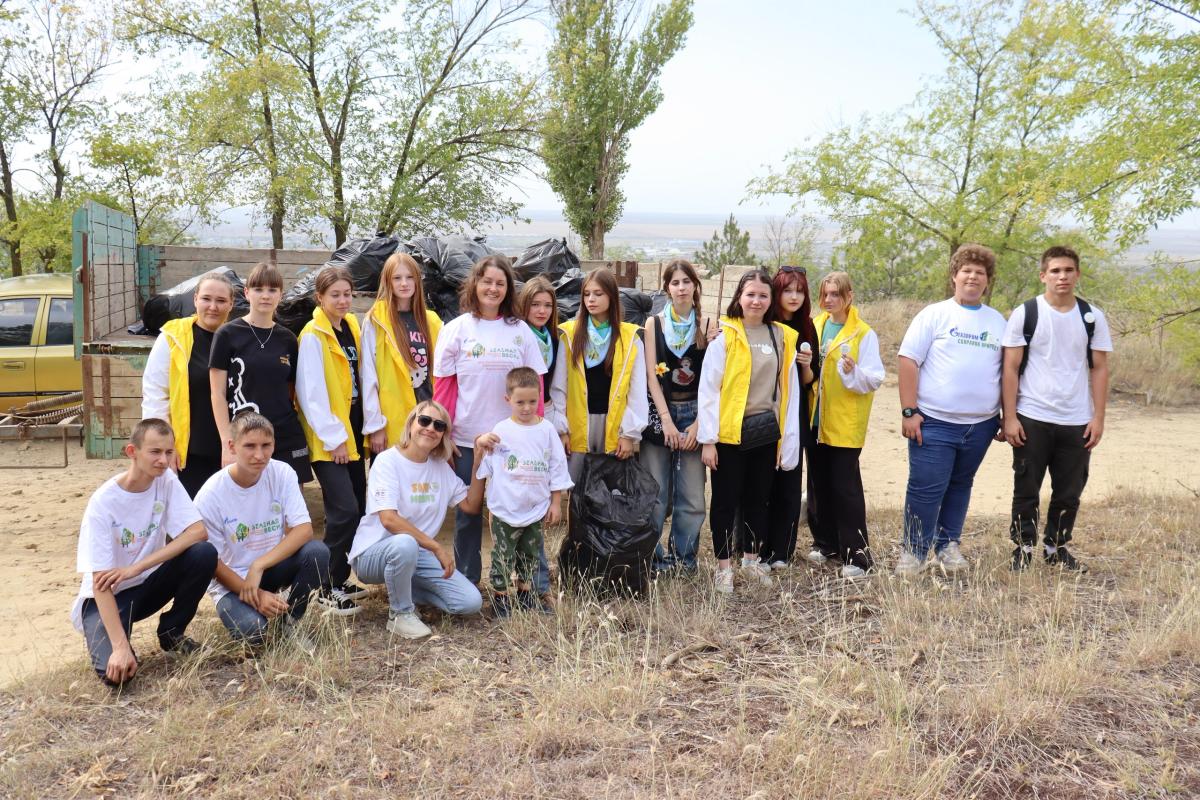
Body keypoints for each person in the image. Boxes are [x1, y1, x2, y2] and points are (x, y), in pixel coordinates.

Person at [71, 419, 217, 686]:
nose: (163, 460)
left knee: (203, 554)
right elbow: (100, 583)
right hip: (108, 597)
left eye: (168, 452)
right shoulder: (103, 503)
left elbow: (197, 532)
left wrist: (137, 567)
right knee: (118, 676)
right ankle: (119, 642)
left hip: (147, 583)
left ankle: (172, 632)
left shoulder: (166, 481)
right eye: (154, 452)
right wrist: (120, 647)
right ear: (132, 452)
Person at [432, 255, 546, 586]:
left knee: (525, 510)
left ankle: (532, 584)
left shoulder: (520, 331)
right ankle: (467, 583)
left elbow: (535, 383)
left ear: (508, 288)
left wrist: (534, 431)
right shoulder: (457, 330)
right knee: (468, 513)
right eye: (487, 282)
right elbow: (444, 389)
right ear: (474, 285)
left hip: (513, 440)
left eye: (500, 283)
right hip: (468, 440)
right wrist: (446, 436)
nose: (493, 289)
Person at [895, 245, 1007, 576]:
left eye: (980, 272)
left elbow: (1007, 371)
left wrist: (1004, 415)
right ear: (954, 275)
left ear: (988, 281)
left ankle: (947, 546)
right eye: (967, 270)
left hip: (981, 425)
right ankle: (914, 551)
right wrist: (908, 410)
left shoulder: (997, 321)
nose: (973, 277)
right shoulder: (934, 314)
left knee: (960, 484)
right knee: (926, 487)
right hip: (934, 422)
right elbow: (908, 360)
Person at [1001, 245, 1112, 572]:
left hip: (1076, 420)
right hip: (1032, 417)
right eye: (1055, 271)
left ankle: (1055, 547)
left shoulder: (1091, 316)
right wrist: (1010, 417)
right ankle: (1022, 549)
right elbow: (1010, 367)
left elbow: (1100, 368)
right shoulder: (1027, 313)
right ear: (1043, 275)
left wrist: (1099, 417)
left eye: (1068, 270)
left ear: (1077, 274)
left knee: (1069, 491)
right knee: (1026, 490)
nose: (1062, 276)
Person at [697, 269, 801, 594]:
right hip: (729, 436)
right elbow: (709, 390)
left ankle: (751, 561)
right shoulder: (725, 336)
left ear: (771, 301)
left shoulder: (781, 336)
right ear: (739, 297)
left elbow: (787, 391)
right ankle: (723, 567)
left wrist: (787, 439)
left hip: (765, 432)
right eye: (750, 294)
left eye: (763, 295)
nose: (756, 300)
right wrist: (708, 441)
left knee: (759, 500)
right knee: (725, 502)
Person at [348, 401, 487, 639]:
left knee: (470, 602)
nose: (430, 428)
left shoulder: (440, 467)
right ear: (411, 424)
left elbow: (471, 506)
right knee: (405, 543)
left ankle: (402, 589)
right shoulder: (387, 461)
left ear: (443, 434)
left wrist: (478, 463)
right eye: (424, 420)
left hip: (417, 553)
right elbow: (389, 519)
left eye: (439, 425)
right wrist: (434, 546)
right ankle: (400, 614)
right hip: (373, 553)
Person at [195, 412, 330, 648]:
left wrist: (259, 565)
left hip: (268, 568)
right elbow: (212, 563)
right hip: (232, 582)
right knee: (255, 633)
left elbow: (304, 530)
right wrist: (256, 597)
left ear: (274, 444)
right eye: (249, 446)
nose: (259, 455)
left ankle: (290, 621)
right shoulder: (211, 495)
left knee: (317, 552)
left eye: (266, 445)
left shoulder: (282, 472)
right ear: (232, 446)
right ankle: (256, 609)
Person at [295, 266, 368, 616]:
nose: (342, 300)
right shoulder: (313, 335)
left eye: (347, 294)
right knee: (343, 510)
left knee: (358, 506)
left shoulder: (350, 327)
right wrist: (334, 438)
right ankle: (323, 586)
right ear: (319, 298)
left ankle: (340, 578)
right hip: (331, 439)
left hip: (353, 430)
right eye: (334, 295)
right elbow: (311, 394)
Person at [475, 367, 572, 616]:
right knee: (503, 556)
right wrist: (481, 445)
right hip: (506, 508)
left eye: (532, 401)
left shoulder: (547, 430)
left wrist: (555, 503)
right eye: (520, 402)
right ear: (508, 400)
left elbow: (557, 467)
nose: (527, 408)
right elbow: (487, 468)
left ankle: (526, 594)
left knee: (530, 554)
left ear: (540, 397)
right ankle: (500, 599)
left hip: (535, 507)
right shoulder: (501, 430)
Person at [806, 271, 884, 579]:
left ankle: (858, 556)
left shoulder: (863, 334)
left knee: (845, 488)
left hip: (844, 424)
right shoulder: (815, 326)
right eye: (825, 294)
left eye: (835, 294)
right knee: (818, 485)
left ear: (848, 296)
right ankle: (826, 544)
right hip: (816, 419)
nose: (829, 300)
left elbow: (874, 378)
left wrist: (853, 372)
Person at [640, 259, 713, 574]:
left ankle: (685, 559)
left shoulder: (708, 325)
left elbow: (714, 378)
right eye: (675, 282)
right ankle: (655, 560)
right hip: (661, 412)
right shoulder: (653, 325)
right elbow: (651, 377)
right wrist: (667, 420)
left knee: (693, 496)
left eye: (687, 281)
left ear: (695, 285)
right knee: (656, 494)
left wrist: (699, 424)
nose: (681, 287)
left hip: (696, 411)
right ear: (666, 287)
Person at [209, 261, 312, 484]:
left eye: (272, 290)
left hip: (286, 434)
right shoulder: (227, 334)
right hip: (245, 435)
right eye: (258, 289)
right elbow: (217, 394)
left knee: (291, 499)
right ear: (247, 293)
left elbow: (292, 389)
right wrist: (228, 442)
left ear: (280, 295)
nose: (265, 295)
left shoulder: (288, 339)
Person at [141, 271, 236, 496]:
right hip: (190, 453)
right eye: (206, 299)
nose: (213, 306)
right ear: (195, 300)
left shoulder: (239, 337)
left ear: (231, 304)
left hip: (233, 451)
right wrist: (164, 447)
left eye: (221, 301)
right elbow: (156, 394)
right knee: (192, 522)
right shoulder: (173, 338)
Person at [551, 267, 648, 482]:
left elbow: (637, 390)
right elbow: (559, 387)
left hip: (614, 427)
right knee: (573, 491)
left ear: (612, 297)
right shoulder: (570, 333)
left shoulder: (630, 337)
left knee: (609, 498)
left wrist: (628, 434)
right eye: (586, 294)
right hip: (577, 427)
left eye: (598, 293)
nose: (591, 299)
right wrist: (561, 430)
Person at [764, 265, 818, 570]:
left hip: (794, 414)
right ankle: (753, 545)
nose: (794, 296)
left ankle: (781, 551)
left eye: (799, 291)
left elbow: (810, 380)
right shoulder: (763, 324)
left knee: (788, 482)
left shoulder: (807, 328)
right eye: (787, 290)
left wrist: (806, 365)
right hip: (761, 412)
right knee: (760, 482)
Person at [362, 252, 443, 453]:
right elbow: (368, 375)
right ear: (387, 282)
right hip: (393, 419)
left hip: (427, 420)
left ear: (417, 281)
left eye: (409, 277)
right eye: (397, 278)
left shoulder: (432, 321)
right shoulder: (376, 320)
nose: (404, 283)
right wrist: (375, 426)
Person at [516, 276, 563, 595]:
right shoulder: (517, 336)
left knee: (537, 496)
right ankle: (520, 579)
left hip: (544, 419)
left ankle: (538, 580)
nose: (542, 310)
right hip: (520, 421)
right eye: (536, 304)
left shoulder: (555, 339)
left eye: (548, 305)